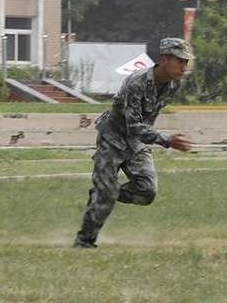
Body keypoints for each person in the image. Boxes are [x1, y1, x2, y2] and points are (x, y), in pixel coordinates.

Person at [73, 38, 193, 248]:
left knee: (147, 192)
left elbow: (146, 122)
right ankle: (84, 241)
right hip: (113, 138)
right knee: (106, 194)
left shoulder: (174, 83)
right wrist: (167, 140)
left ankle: (104, 192)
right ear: (164, 60)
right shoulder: (136, 82)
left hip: (137, 142)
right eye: (180, 61)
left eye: (186, 62)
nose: (184, 67)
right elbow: (134, 126)